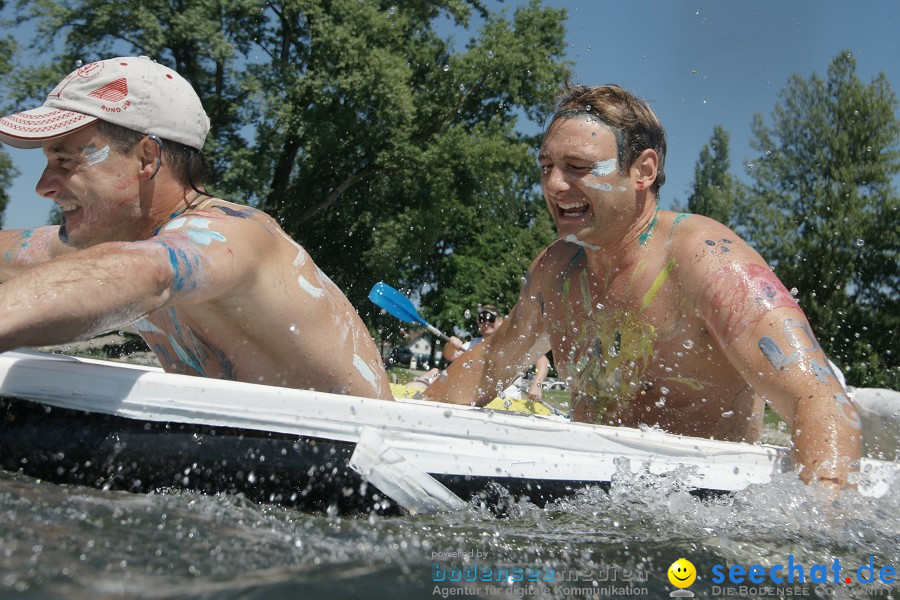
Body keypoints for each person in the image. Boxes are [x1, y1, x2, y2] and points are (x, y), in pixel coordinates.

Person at [425, 84, 862, 488]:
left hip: (703, 517)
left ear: (643, 170)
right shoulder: (555, 270)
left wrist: (821, 531)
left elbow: (819, 400)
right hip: (592, 503)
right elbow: (485, 369)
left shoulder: (708, 260)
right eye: (546, 167)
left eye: (576, 167)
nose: (554, 185)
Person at [0, 56, 392, 401]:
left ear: (146, 157)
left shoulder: (232, 236)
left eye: (66, 162)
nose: (42, 186)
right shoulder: (116, 245)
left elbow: (145, 273)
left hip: (370, 468)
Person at [412, 304, 551, 402]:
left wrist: (537, 384)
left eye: (490, 318)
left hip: (505, 400)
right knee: (434, 372)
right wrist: (451, 344)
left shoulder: (512, 344)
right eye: (482, 319)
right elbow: (450, 356)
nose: (486, 323)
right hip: (473, 396)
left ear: (501, 321)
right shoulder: (473, 344)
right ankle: (402, 396)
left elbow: (543, 361)